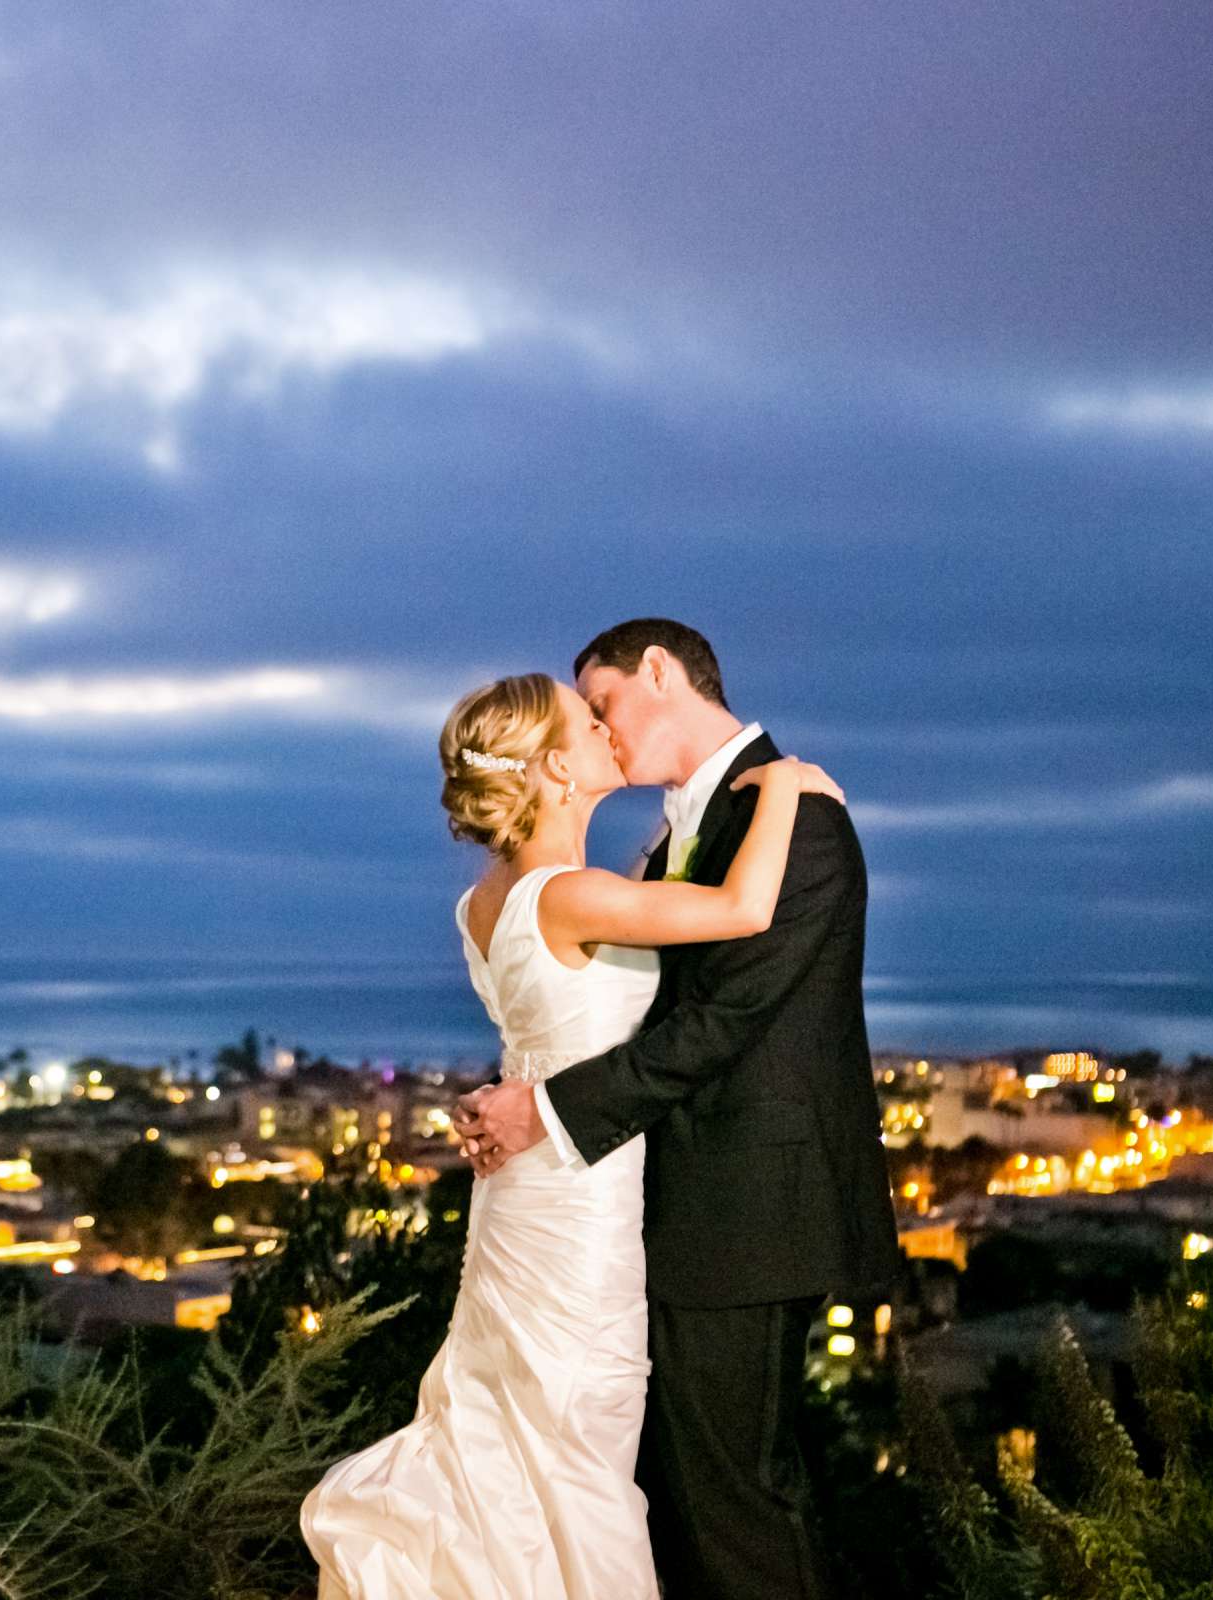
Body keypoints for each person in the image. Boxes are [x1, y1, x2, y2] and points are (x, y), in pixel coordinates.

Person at [299, 649, 849, 1599]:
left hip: (524, 1194)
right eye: (585, 720)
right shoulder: (574, 896)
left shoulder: (487, 902)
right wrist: (791, 788)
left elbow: (555, 1021)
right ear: (553, 768)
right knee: (574, 1444)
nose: (606, 729)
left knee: (515, 1423)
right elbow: (744, 906)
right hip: (578, 1205)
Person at [451, 618, 906, 1599]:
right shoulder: (668, 844)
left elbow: (729, 1016)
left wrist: (547, 1107)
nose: (607, 735)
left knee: (739, 1502)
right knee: (686, 1502)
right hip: (646, 1220)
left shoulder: (801, 821)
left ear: (660, 671)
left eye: (605, 704)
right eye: (591, 723)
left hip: (746, 1214)